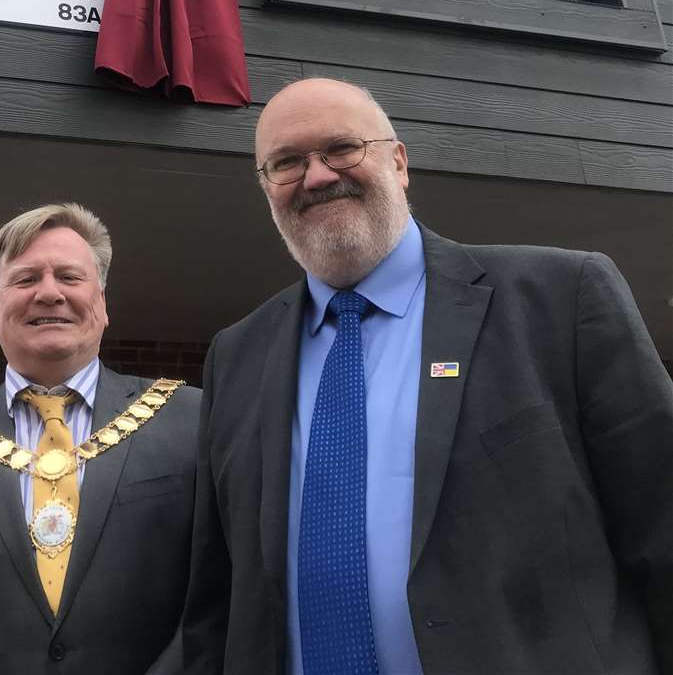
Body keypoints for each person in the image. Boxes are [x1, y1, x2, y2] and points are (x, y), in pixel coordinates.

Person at [182, 78, 673, 675]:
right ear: (267, 188)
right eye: (287, 163)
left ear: (399, 161)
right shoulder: (236, 355)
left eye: (342, 148)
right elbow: (217, 595)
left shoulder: (559, 299)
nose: (316, 176)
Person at [0, 203, 200, 675]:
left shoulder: (189, 420)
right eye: (25, 280)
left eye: (69, 277)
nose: (49, 293)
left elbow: (220, 595)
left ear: (103, 303)